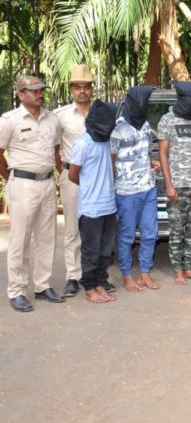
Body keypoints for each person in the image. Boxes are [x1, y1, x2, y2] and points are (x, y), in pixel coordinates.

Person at [0, 76, 64, 312]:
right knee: (20, 239)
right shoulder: (10, 120)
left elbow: (56, 150)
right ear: (21, 94)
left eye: (41, 90)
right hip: (23, 184)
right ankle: (17, 290)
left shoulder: (52, 119)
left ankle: (42, 285)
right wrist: (9, 177)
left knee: (47, 237)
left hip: (47, 182)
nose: (40, 94)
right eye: (34, 91)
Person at [158, 79, 191, 285]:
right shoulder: (167, 120)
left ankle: (189, 267)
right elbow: (162, 153)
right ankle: (178, 269)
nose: (190, 101)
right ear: (179, 98)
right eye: (186, 97)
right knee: (177, 230)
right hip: (178, 184)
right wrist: (169, 184)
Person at [111, 86, 160, 291]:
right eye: (139, 103)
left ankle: (145, 274)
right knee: (127, 236)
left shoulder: (146, 125)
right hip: (126, 192)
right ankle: (127, 275)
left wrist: (151, 162)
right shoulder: (118, 129)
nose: (142, 106)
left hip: (148, 188)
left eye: (145, 103)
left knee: (150, 233)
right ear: (130, 104)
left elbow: (145, 152)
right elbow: (111, 160)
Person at [68, 100, 117, 304]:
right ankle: (89, 287)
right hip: (90, 208)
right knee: (91, 250)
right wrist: (91, 187)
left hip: (109, 205)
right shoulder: (83, 143)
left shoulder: (106, 140)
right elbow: (73, 174)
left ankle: (100, 282)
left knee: (106, 250)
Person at [54, 64, 95, 298]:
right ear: (71, 89)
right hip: (71, 177)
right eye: (77, 87)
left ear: (91, 89)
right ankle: (73, 276)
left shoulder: (101, 112)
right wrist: (65, 172)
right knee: (72, 228)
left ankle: (93, 274)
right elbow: (54, 148)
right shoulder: (61, 116)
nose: (82, 91)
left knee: (96, 226)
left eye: (86, 87)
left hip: (97, 178)